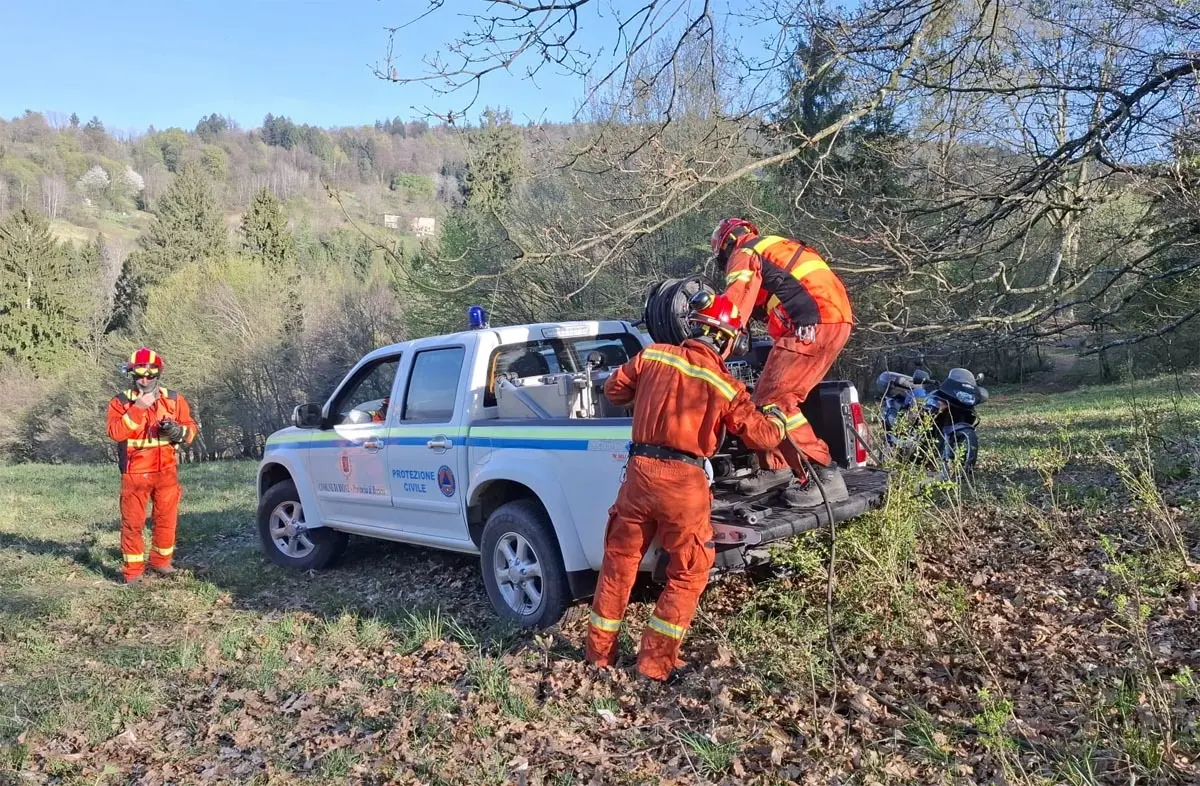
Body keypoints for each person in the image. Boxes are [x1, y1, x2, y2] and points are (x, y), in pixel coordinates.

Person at [585, 292, 790, 683]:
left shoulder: (653, 356)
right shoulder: (725, 384)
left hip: (640, 475)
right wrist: (779, 417)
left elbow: (614, 391)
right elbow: (762, 437)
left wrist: (648, 403)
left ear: (693, 327)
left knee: (619, 563)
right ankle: (653, 664)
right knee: (689, 572)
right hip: (684, 484)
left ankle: (599, 656)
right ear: (727, 340)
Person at [711, 218, 854, 507]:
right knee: (765, 399)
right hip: (833, 319)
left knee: (775, 403)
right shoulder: (776, 247)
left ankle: (823, 475)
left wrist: (712, 348)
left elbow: (735, 307)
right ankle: (776, 467)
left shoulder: (745, 252)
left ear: (726, 246)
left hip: (812, 322)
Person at [105, 347, 198, 584]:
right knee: (133, 523)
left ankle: (161, 562)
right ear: (132, 374)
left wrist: (177, 431)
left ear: (158, 373)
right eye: (139, 375)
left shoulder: (174, 399)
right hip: (135, 473)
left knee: (167, 519)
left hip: (166, 470)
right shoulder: (120, 402)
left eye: (150, 375)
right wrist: (138, 408)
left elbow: (190, 430)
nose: (145, 380)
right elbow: (115, 432)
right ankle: (133, 571)